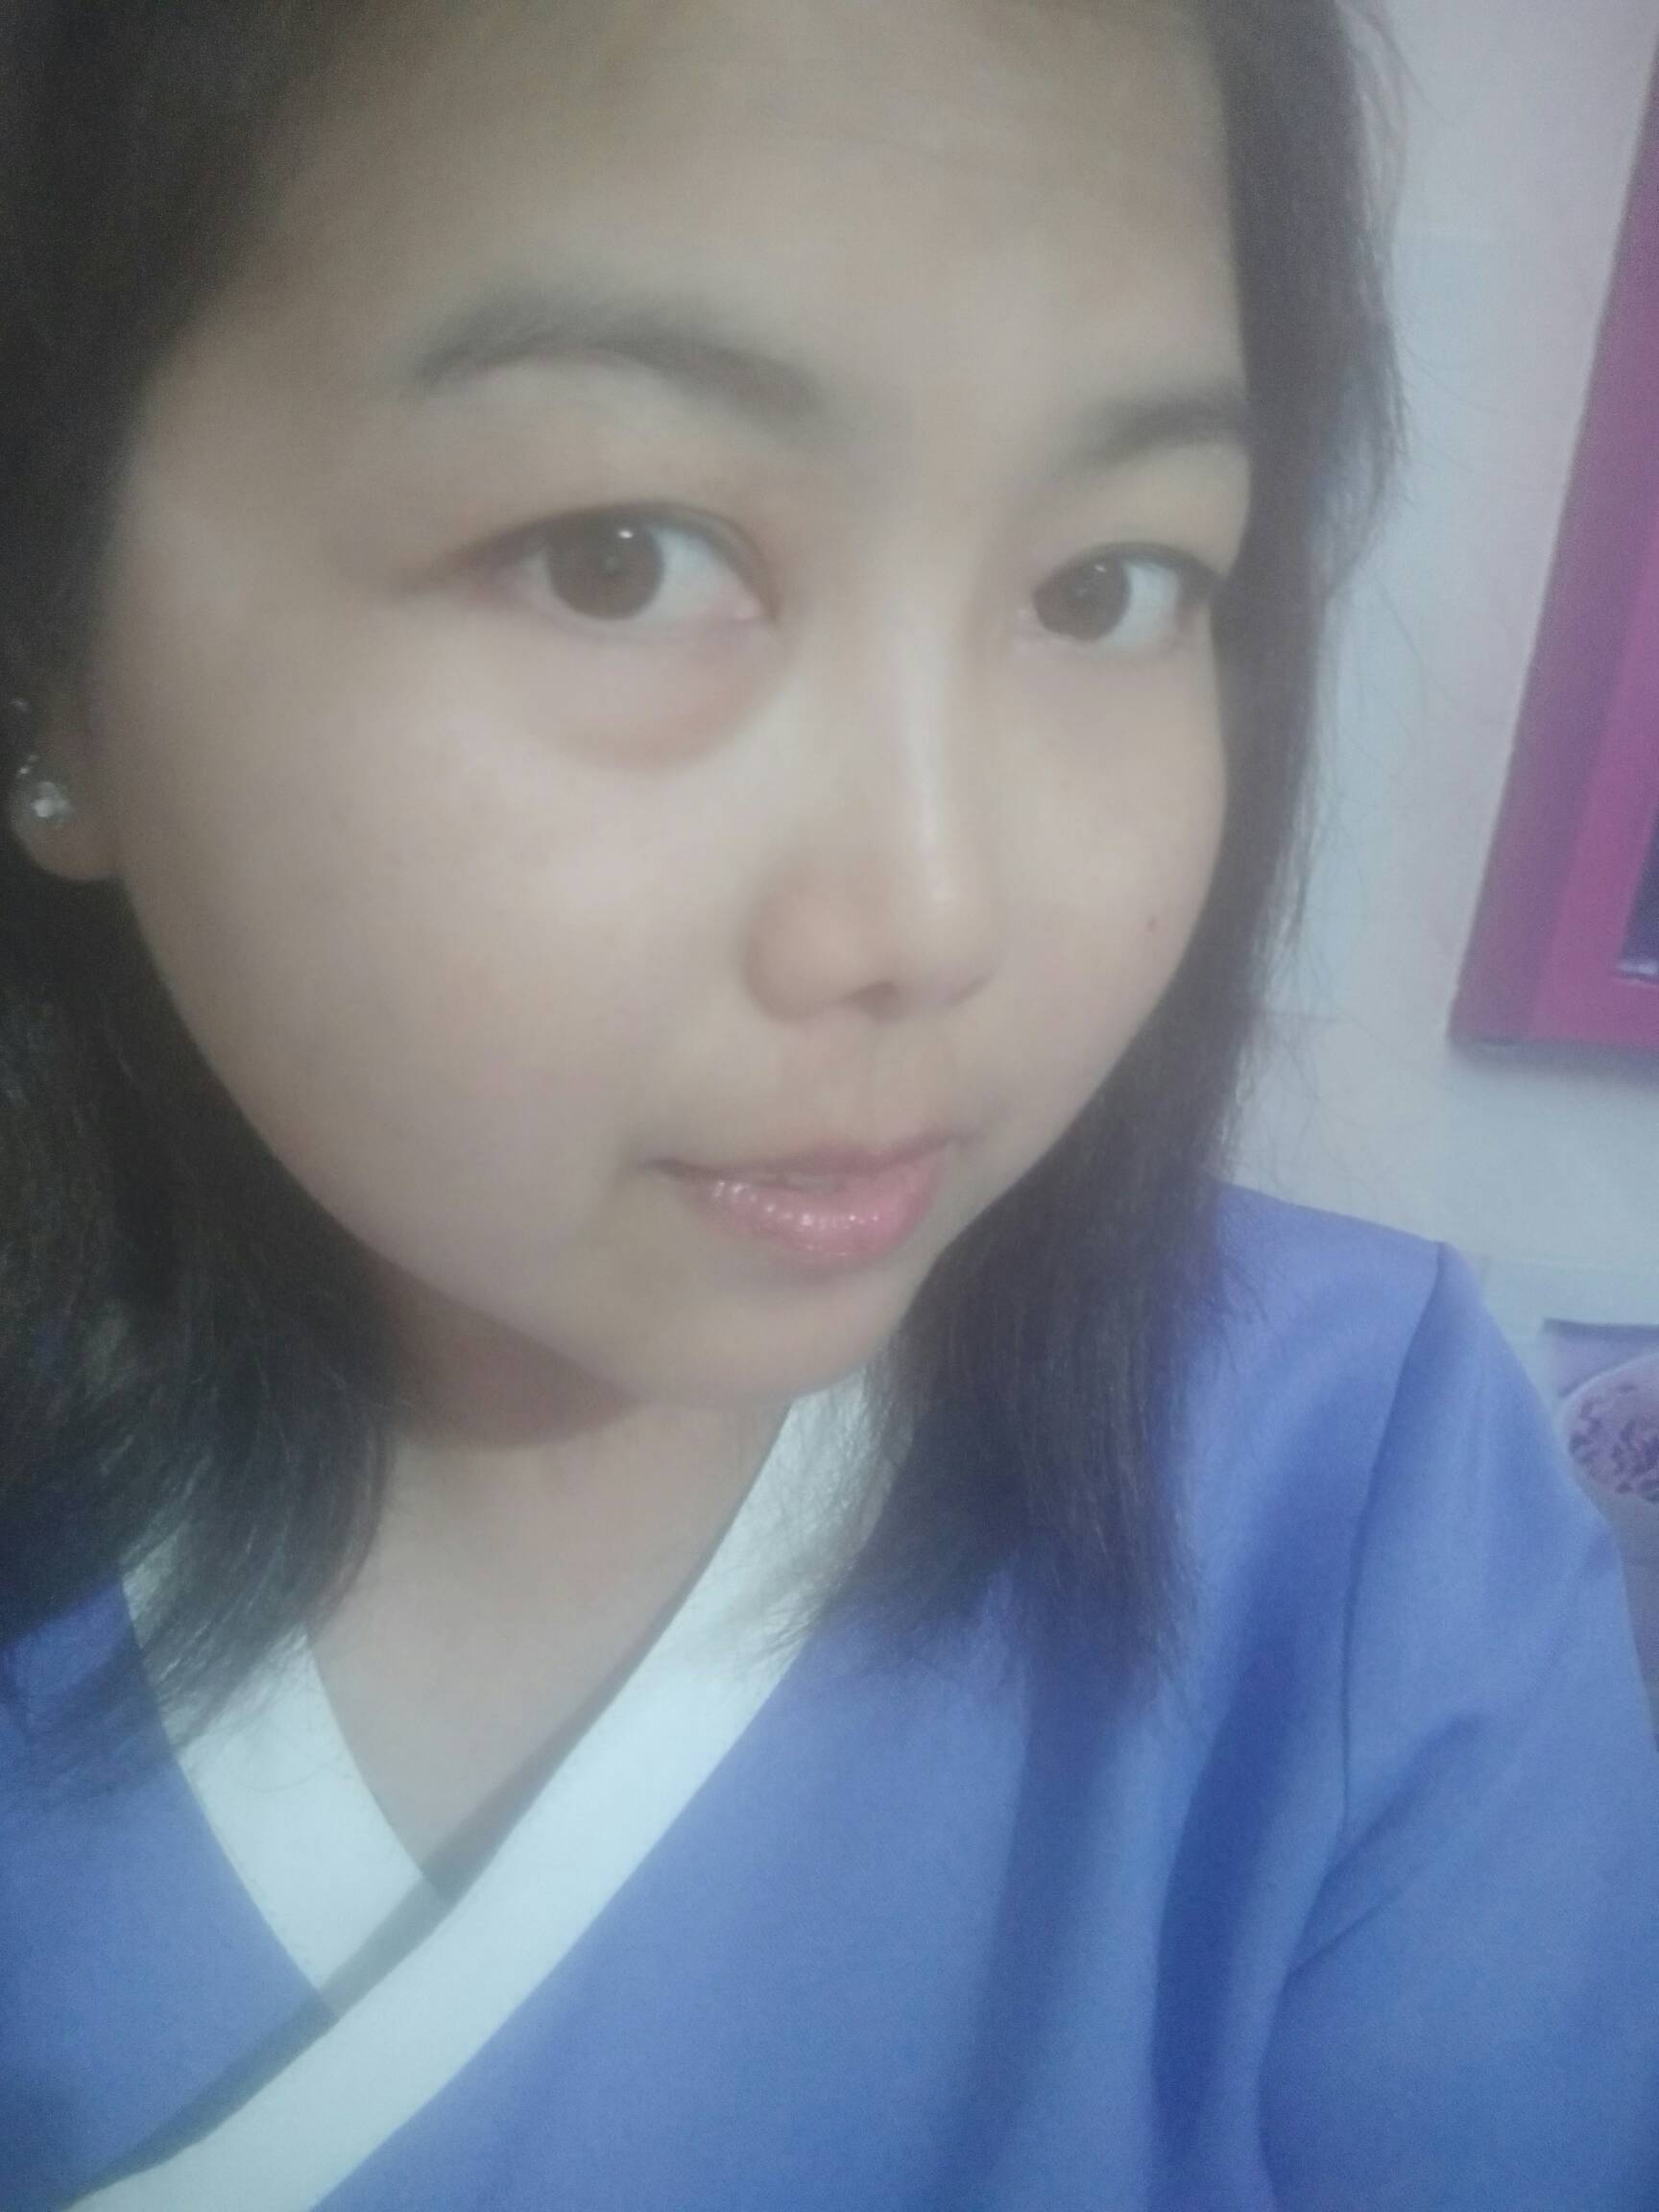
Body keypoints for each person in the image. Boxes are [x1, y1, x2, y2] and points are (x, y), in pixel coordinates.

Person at [1, 0, 1655, 2204]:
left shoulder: (1361, 1505)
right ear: (51, 664)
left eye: (1110, 585)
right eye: (619, 556)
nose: (939, 914)